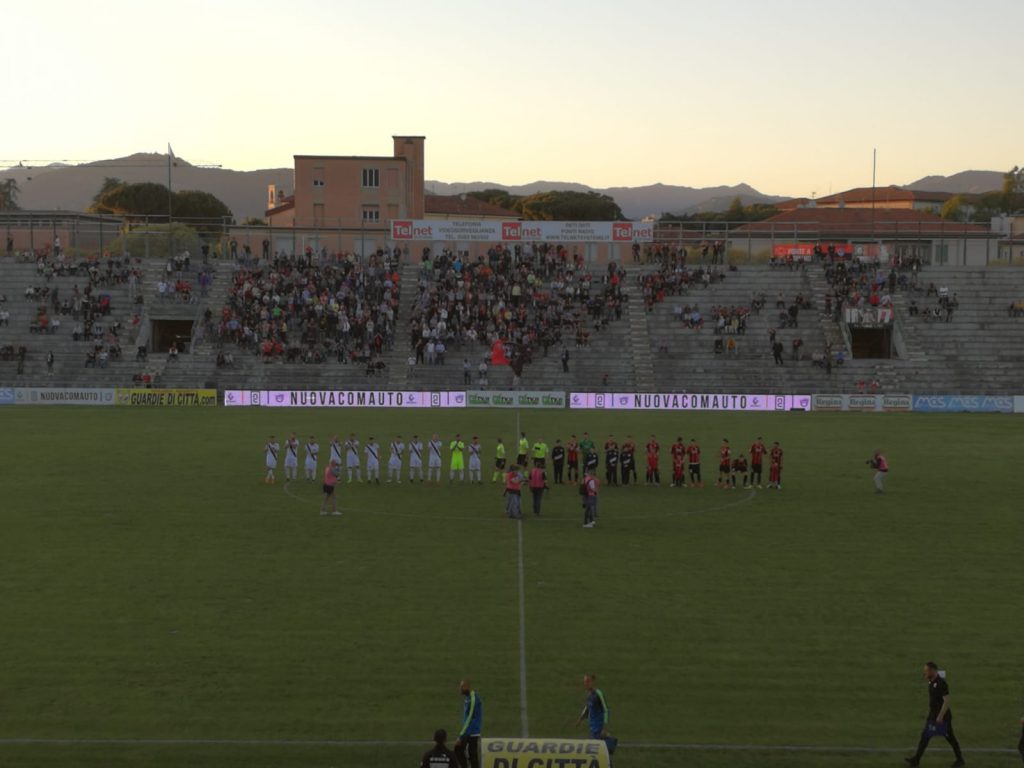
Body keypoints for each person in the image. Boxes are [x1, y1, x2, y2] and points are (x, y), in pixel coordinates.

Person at [905, 662, 965, 767]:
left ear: (932, 671)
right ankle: (916, 760)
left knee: (950, 738)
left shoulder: (941, 684)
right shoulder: (931, 681)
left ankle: (960, 760)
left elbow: (946, 701)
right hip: (932, 715)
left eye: (926, 671)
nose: (924, 673)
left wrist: (940, 716)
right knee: (925, 737)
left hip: (943, 717)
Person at [575, 673, 617, 756]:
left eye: (588, 681)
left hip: (599, 728)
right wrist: (580, 719)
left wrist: (604, 727)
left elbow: (606, 710)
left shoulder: (598, 694)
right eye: (585, 682)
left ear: (592, 682)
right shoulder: (589, 695)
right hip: (593, 728)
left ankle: (610, 742)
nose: (586, 684)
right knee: (599, 752)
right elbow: (587, 708)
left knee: (596, 752)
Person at [454, 680, 483, 768]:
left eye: (461, 687)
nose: (460, 689)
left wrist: (461, 735)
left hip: (472, 731)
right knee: (467, 752)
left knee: (469, 753)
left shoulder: (473, 699)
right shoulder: (468, 697)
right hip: (469, 730)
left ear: (466, 687)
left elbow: (469, 718)